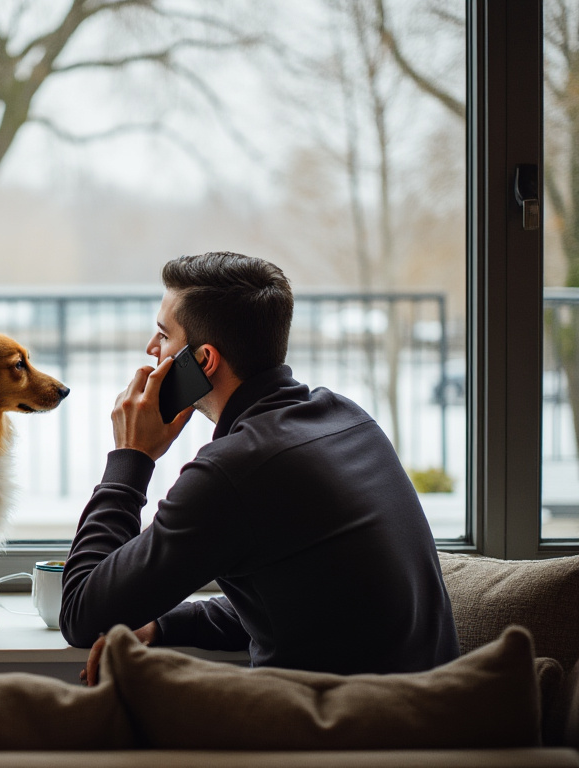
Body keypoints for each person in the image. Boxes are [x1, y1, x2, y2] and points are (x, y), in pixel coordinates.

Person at [59, 251, 459, 683]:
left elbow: (82, 612)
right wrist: (166, 624)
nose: (151, 350)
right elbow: (309, 599)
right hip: (425, 719)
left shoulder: (235, 470)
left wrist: (131, 457)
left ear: (204, 361)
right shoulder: (348, 419)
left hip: (345, 735)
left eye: (163, 335)